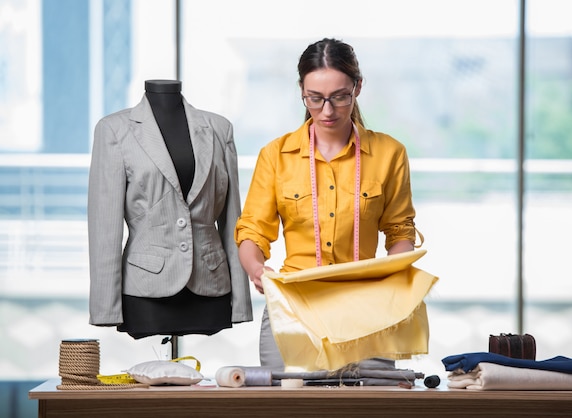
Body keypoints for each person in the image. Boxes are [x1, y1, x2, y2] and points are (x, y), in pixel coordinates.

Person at [234, 38, 422, 369]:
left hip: (367, 310)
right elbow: (252, 230)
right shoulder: (276, 156)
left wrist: (392, 272)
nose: (327, 111)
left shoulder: (390, 153)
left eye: (339, 97)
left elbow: (400, 230)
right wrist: (256, 269)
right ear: (302, 91)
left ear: (358, 88)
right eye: (315, 99)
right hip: (294, 308)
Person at [88, 79, 252, 340]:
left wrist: (241, 302)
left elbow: (233, 220)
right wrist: (105, 307)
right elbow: (104, 227)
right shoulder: (115, 130)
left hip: (210, 284)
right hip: (146, 290)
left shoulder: (219, 129)